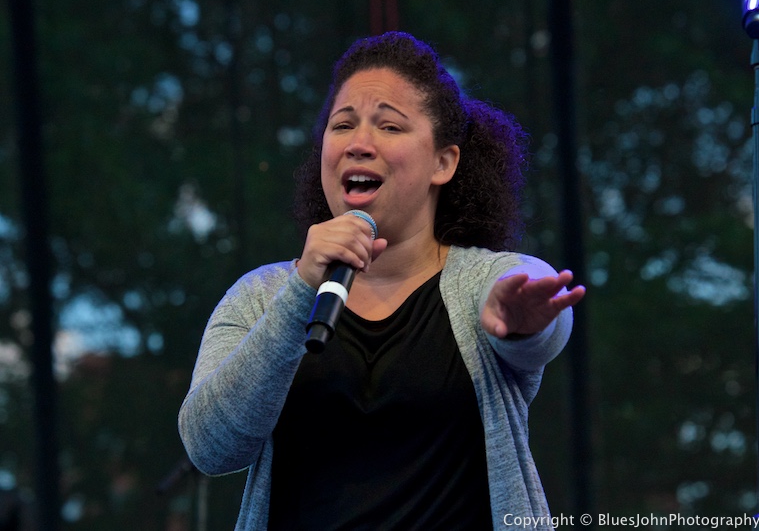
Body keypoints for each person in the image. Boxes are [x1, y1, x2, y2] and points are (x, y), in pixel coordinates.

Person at [178, 31, 586, 530]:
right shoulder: (260, 296)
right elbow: (209, 447)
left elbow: (534, 294)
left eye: (389, 126)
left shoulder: (482, 279)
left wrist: (522, 321)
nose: (359, 144)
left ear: (444, 162)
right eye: (342, 124)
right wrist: (301, 291)